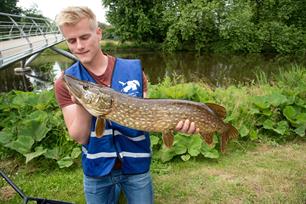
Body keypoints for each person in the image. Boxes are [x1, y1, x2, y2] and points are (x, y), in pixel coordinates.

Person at [54, 6, 198, 204]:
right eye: (71, 40)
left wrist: (175, 125)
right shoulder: (66, 81)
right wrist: (82, 104)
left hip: (136, 167)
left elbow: (151, 116)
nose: (79, 46)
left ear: (98, 34)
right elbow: (79, 137)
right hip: (96, 169)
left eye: (84, 37)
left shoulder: (134, 71)